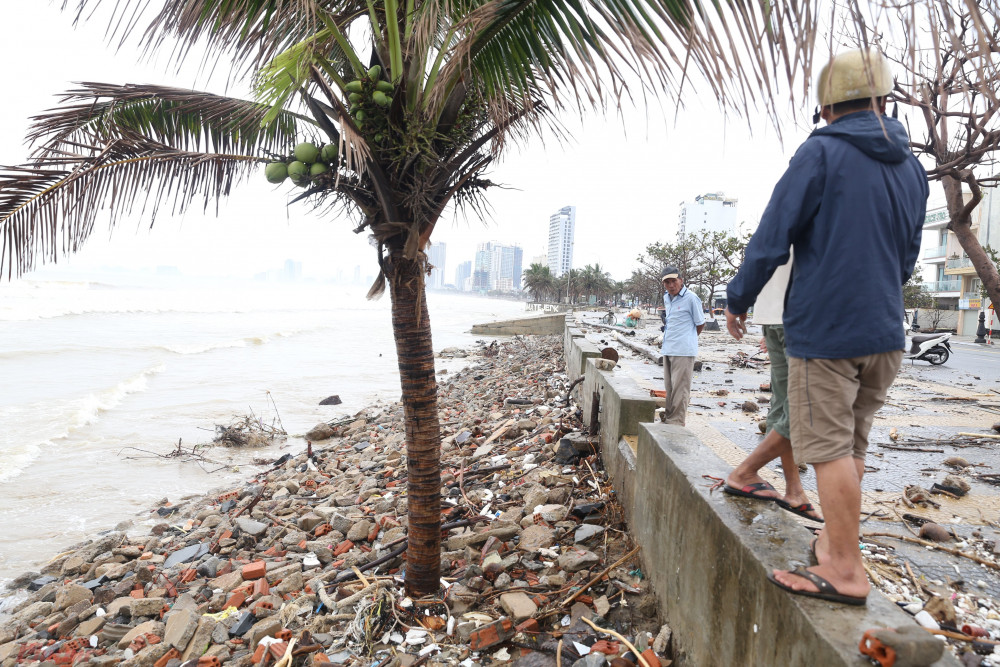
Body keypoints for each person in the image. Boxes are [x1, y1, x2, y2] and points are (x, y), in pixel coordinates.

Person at [724, 47, 927, 605]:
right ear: (884, 101)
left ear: (828, 109)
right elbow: (907, 255)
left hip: (827, 331)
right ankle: (838, 546)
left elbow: (772, 236)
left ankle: (843, 568)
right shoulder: (912, 167)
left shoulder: (820, 153)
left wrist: (738, 298)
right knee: (853, 444)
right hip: (886, 330)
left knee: (828, 449)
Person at [723, 256, 822, 523]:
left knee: (783, 406)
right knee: (804, 408)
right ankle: (745, 472)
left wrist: (739, 299)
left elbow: (762, 250)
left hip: (773, 317)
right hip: (804, 314)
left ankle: (794, 491)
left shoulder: (781, 214)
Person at [660, 265, 705, 425]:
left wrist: (689, 338)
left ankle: (677, 422)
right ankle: (669, 418)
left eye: (674, 281)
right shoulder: (667, 297)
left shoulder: (691, 298)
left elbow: (700, 323)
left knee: (681, 389)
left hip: (683, 351)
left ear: (681, 280)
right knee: (670, 388)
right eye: (667, 282)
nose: (671, 285)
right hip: (668, 348)